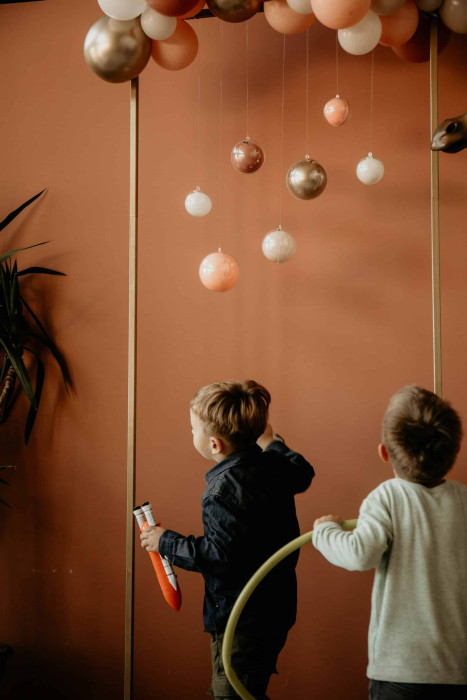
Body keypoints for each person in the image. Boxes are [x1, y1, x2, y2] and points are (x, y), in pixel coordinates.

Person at [140, 380, 314, 699]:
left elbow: (219, 556)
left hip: (240, 618)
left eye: (193, 429)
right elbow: (302, 472)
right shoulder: (273, 465)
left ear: (215, 445)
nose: (191, 433)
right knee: (251, 687)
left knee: (232, 691)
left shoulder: (220, 492)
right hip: (276, 608)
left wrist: (165, 542)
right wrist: (272, 443)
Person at [312, 385, 467, 700]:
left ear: (384, 452)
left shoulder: (387, 497)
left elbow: (359, 554)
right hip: (457, 669)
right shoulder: (464, 499)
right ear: (454, 451)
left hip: (400, 671)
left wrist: (325, 531)